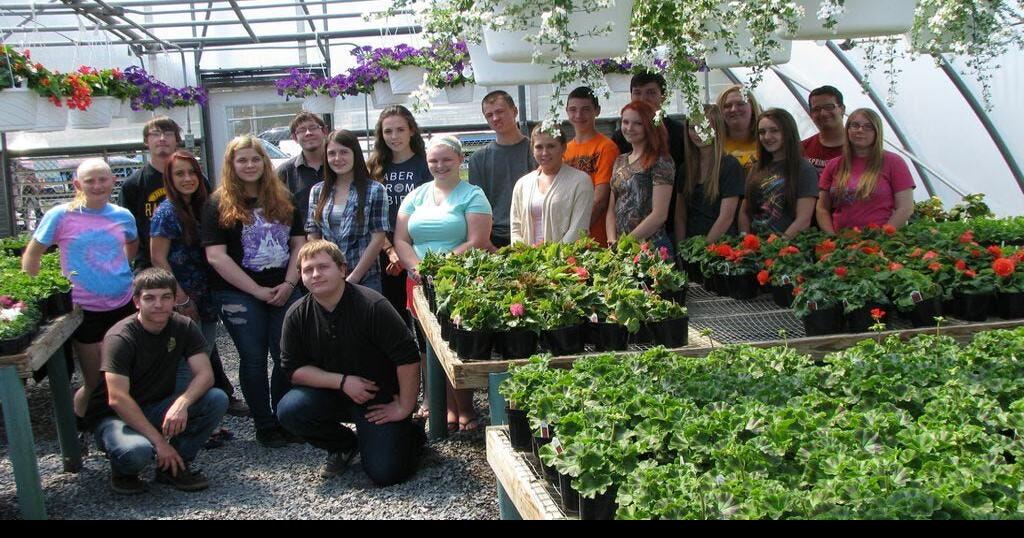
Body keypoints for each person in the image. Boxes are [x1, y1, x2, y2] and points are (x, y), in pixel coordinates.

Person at [277, 241, 424, 485]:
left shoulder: (372, 306)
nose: (315, 274)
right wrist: (343, 382)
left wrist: (405, 407)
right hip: (331, 395)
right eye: (308, 270)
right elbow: (292, 370)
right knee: (290, 410)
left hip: (378, 400)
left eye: (323, 267)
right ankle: (344, 445)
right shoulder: (297, 315)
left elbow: (408, 357)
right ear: (301, 277)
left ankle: (412, 435)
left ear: (342, 269)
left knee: (386, 474)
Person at [82, 268, 228, 494]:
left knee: (216, 399)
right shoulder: (121, 337)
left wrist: (181, 404)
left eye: (166, 297)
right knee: (137, 453)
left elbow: (205, 375)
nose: (159, 304)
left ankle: (175, 465)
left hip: (156, 406)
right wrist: (160, 443)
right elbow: (117, 398)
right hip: (115, 416)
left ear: (174, 299)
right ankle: (124, 471)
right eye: (150, 298)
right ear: (136, 302)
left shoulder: (183, 326)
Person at [201, 135, 306, 448]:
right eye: (241, 160)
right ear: (231, 165)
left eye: (254, 159)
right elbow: (216, 256)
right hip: (238, 292)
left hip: (284, 287)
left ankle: (285, 416)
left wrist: (289, 283)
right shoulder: (217, 204)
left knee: (287, 355)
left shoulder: (284, 198)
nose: (249, 165)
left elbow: (299, 244)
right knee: (253, 358)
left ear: (265, 163)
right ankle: (265, 423)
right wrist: (258, 292)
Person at [22, 159, 138, 419]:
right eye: (90, 180)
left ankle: (122, 423)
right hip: (84, 308)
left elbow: (132, 245)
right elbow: (32, 255)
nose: (97, 185)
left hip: (123, 303)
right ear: (77, 184)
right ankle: (82, 422)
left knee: (125, 373)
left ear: (113, 182)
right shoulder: (61, 215)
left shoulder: (123, 216)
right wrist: (37, 296)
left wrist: (115, 269)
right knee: (95, 379)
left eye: (103, 179)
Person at [394, 136, 492, 432]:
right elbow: (401, 238)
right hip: (419, 282)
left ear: (460, 160)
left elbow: (477, 241)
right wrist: (415, 266)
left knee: (455, 343)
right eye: (433, 161)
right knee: (429, 346)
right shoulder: (416, 195)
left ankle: (464, 406)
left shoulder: (472, 195)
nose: (440, 166)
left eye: (446, 159)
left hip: (458, 280)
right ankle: (444, 406)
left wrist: (439, 266)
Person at [149, 150, 248, 432]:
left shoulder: (205, 206)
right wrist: (180, 299)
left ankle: (199, 417)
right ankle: (186, 420)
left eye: (191, 172)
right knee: (190, 362)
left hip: (207, 295)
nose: (187, 178)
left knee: (203, 353)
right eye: (179, 174)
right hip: (183, 298)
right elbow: (158, 258)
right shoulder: (166, 212)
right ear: (169, 178)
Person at [366, 106, 431, 333]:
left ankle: (427, 366)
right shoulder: (374, 168)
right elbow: (370, 214)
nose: (394, 137)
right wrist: (391, 250)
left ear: (411, 130)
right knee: (395, 321)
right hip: (386, 254)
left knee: (424, 319)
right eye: (388, 131)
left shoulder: (426, 165)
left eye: (400, 129)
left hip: (418, 251)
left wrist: (407, 254)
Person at [307, 130, 390, 293]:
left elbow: (378, 239)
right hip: (328, 277)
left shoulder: (374, 190)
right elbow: (313, 234)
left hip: (365, 278)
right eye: (331, 153)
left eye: (344, 152)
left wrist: (352, 279)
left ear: (355, 154)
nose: (337, 159)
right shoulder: (318, 191)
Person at [610, 73, 687, 242]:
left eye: (650, 92)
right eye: (637, 93)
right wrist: (614, 241)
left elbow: (661, 211)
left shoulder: (679, 134)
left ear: (663, 96)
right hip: (623, 240)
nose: (643, 98)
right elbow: (614, 200)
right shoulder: (620, 144)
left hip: (660, 232)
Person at [816, 108, 916, 233]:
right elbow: (822, 208)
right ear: (847, 130)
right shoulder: (833, 165)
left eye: (868, 127)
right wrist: (832, 237)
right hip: (841, 243)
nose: (860, 130)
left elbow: (905, 208)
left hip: (879, 244)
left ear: (877, 132)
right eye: (855, 125)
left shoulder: (894, 162)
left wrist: (882, 237)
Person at [467, 90, 536, 249]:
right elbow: (477, 207)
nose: (495, 118)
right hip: (494, 238)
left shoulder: (537, 152)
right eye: (489, 115)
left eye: (500, 111)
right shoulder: (478, 159)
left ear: (515, 111)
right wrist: (488, 245)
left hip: (533, 232)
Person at [606, 101, 676, 254]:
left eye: (638, 123)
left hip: (651, 248)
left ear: (649, 126)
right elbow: (612, 207)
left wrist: (626, 243)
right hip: (621, 249)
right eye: (625, 122)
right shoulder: (620, 160)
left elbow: (659, 214)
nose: (629, 128)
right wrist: (612, 241)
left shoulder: (661, 160)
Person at [738, 109, 819, 238]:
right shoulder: (756, 168)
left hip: (787, 250)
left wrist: (778, 247)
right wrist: (744, 240)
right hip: (753, 248)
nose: (767, 137)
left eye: (774, 130)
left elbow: (803, 219)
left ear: (787, 132)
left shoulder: (804, 169)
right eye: (762, 132)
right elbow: (744, 211)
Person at [510, 125, 594, 245]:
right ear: (532, 150)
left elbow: (578, 229)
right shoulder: (522, 184)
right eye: (539, 147)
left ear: (563, 147)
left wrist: (550, 256)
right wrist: (525, 254)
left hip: (566, 260)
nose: (545, 153)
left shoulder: (581, 181)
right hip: (528, 260)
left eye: (551, 146)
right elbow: (515, 227)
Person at [120, 116, 183, 272]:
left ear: (177, 140)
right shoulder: (133, 184)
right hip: (148, 267)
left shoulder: (194, 180)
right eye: (155, 134)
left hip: (191, 265)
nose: (162, 139)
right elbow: (125, 230)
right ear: (146, 141)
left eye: (168, 134)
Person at [677, 104, 745, 243]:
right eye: (692, 127)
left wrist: (704, 250)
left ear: (717, 129)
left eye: (704, 127)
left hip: (721, 248)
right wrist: (680, 248)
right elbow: (680, 216)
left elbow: (726, 217)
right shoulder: (686, 169)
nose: (697, 133)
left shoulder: (729, 166)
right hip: (691, 248)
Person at [563, 86, 619, 244]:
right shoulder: (563, 150)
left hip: (594, 237)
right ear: (567, 112)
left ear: (597, 110)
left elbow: (600, 199)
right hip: (567, 234)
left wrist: (576, 232)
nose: (578, 115)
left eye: (585, 109)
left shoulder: (606, 147)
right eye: (573, 110)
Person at [276, 112, 328, 221]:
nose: (308, 133)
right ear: (294, 137)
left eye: (313, 127)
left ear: (324, 131)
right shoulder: (285, 172)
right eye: (302, 130)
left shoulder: (339, 166)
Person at [716, 84, 763, 172]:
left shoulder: (766, 140)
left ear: (752, 107)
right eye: (727, 106)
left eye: (741, 104)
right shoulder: (714, 144)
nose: (733, 109)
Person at [802, 85, 847, 174]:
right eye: (816, 109)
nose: (823, 113)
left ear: (842, 109)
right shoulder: (802, 149)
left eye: (829, 107)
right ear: (811, 114)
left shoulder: (861, 149)